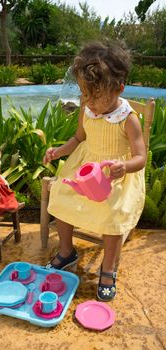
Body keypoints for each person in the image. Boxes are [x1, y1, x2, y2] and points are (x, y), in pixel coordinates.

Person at [43, 41, 146, 301]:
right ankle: (67, 251)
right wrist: (58, 151)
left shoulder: (129, 118)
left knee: (112, 213)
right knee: (60, 194)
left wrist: (125, 166)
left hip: (116, 176)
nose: (89, 102)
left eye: (96, 96)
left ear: (118, 88)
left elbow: (140, 157)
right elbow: (78, 139)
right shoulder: (87, 109)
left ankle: (108, 267)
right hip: (86, 169)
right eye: (84, 94)